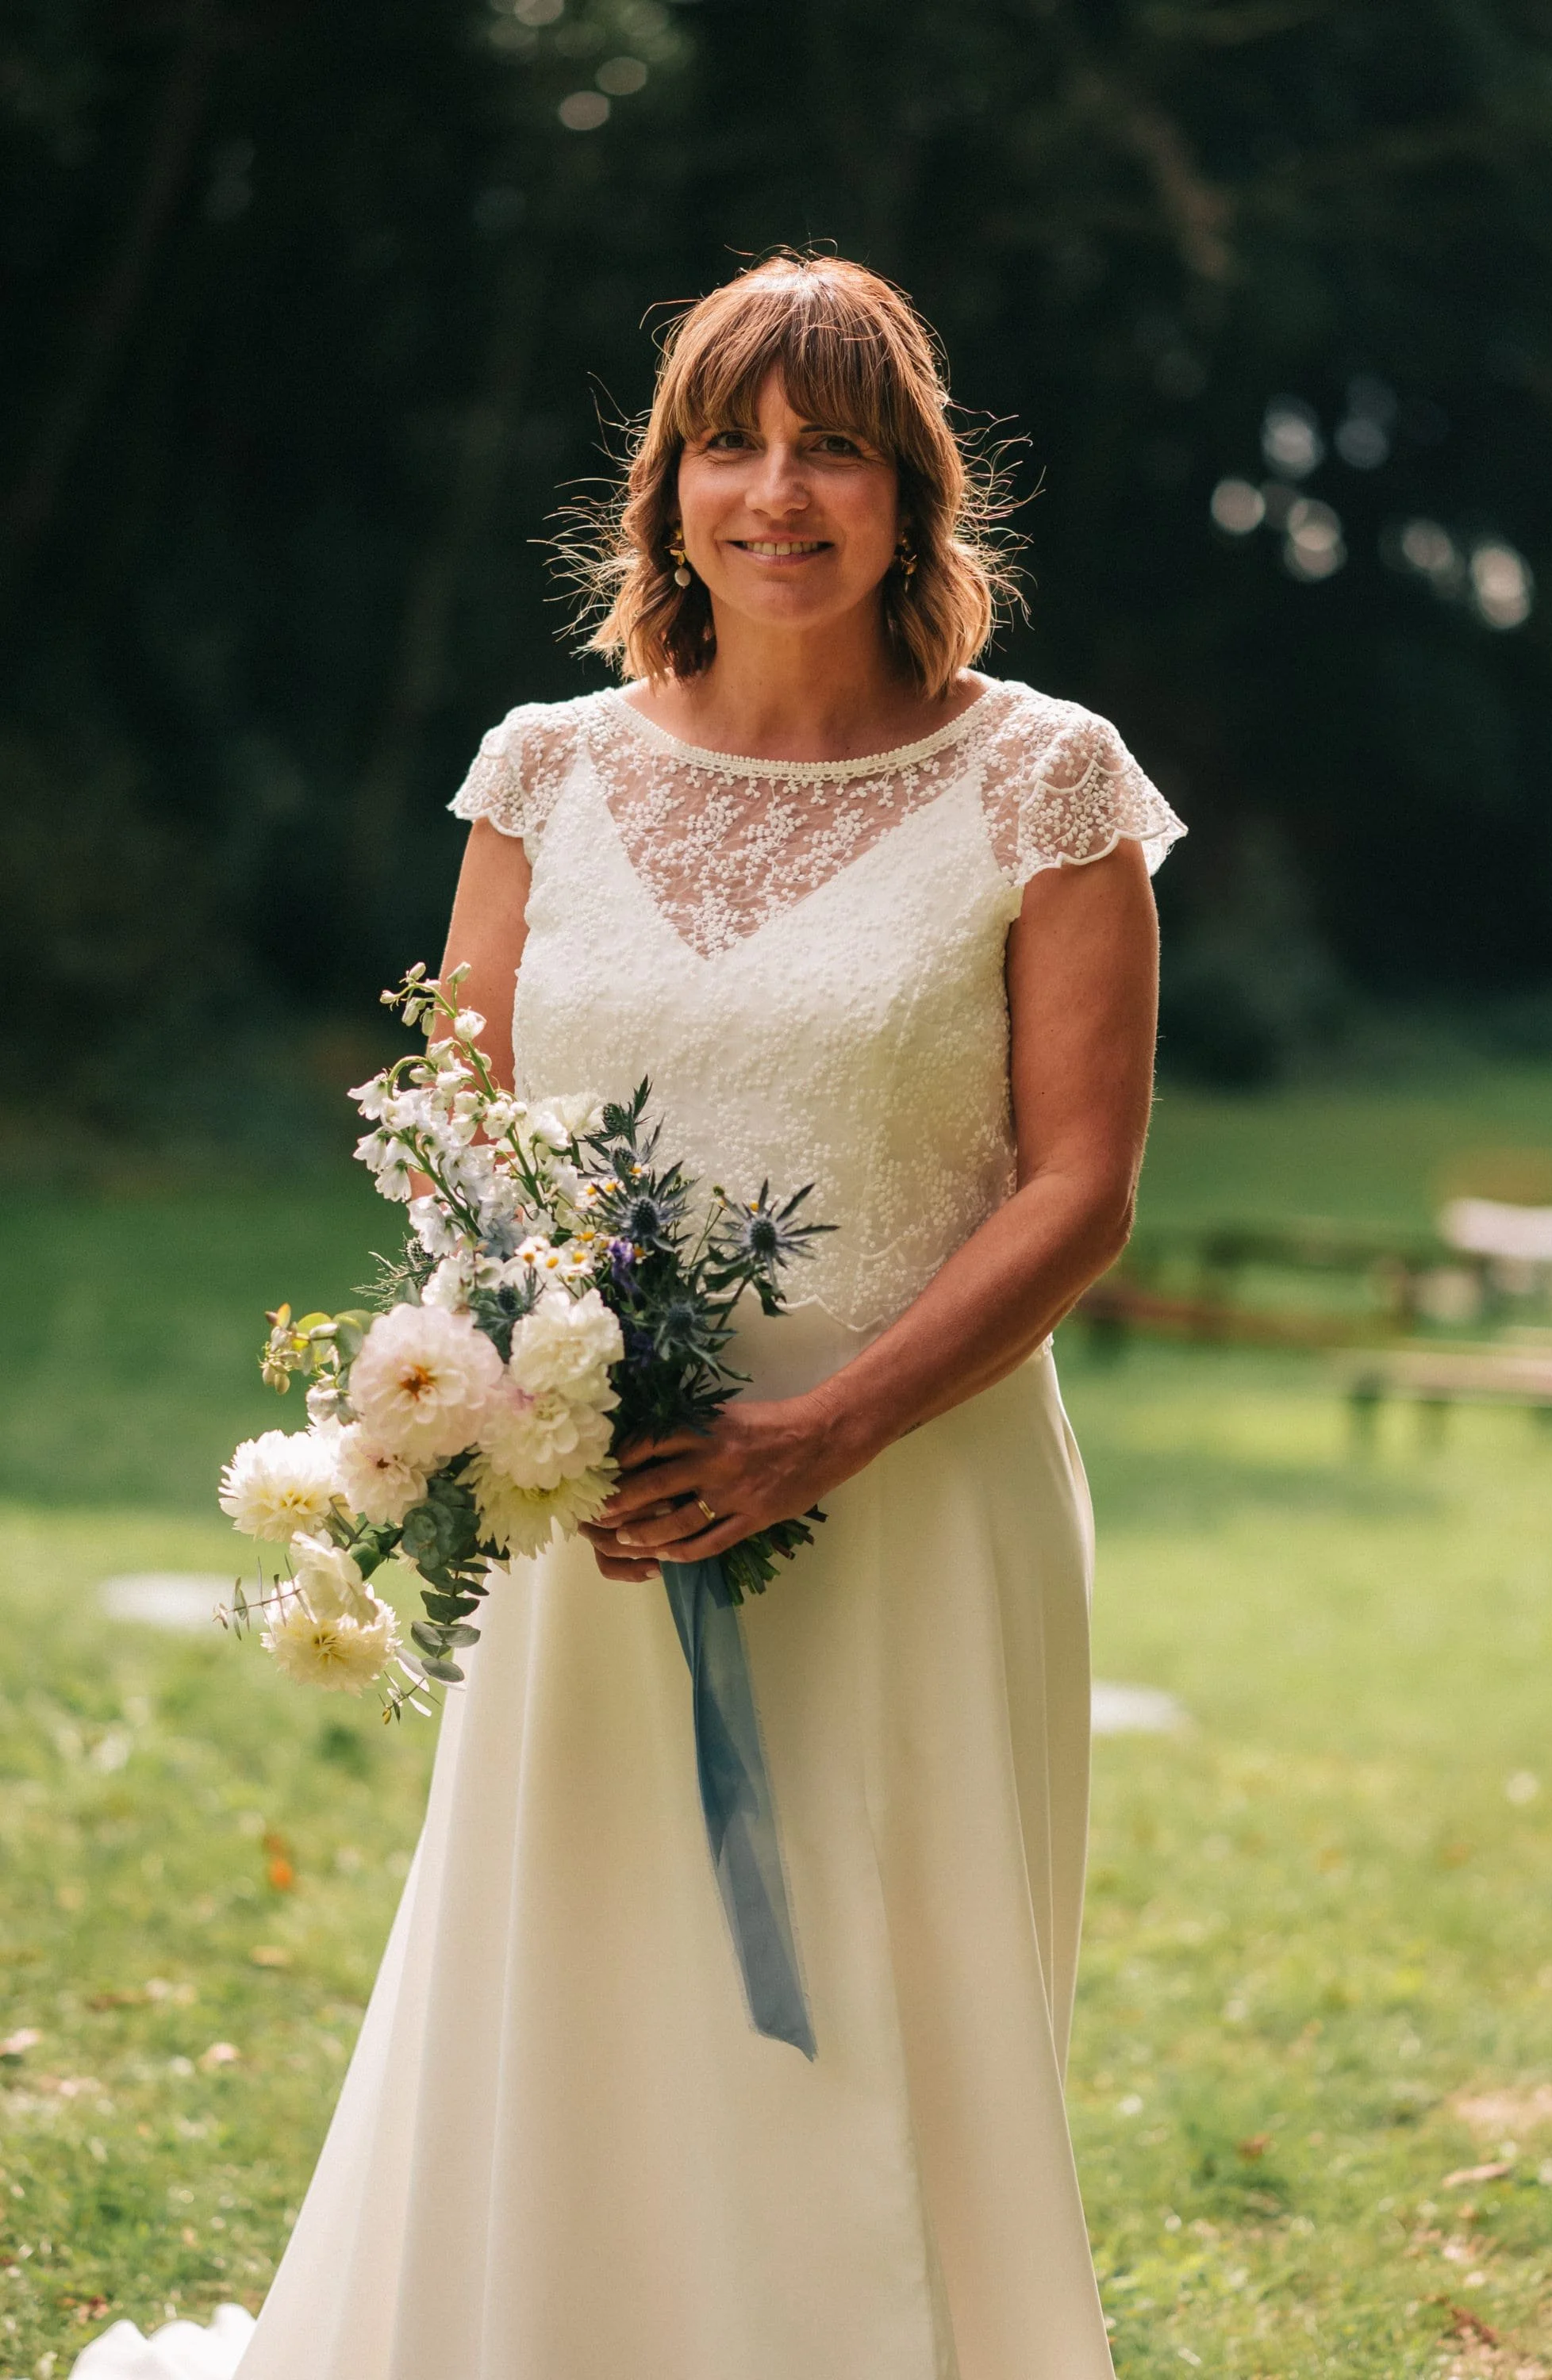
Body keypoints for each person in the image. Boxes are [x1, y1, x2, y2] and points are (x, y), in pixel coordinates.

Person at [77, 251, 1183, 2380]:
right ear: (666, 487)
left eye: (834, 447)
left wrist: (818, 1431)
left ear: (914, 493)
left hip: (917, 1500)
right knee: (578, 1980)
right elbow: (461, 1127)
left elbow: (1080, 1190)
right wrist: (519, 1401)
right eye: (730, 446)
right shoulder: (545, 770)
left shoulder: (1048, 784)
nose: (780, 492)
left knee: (893, 1996)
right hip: (593, 1507)